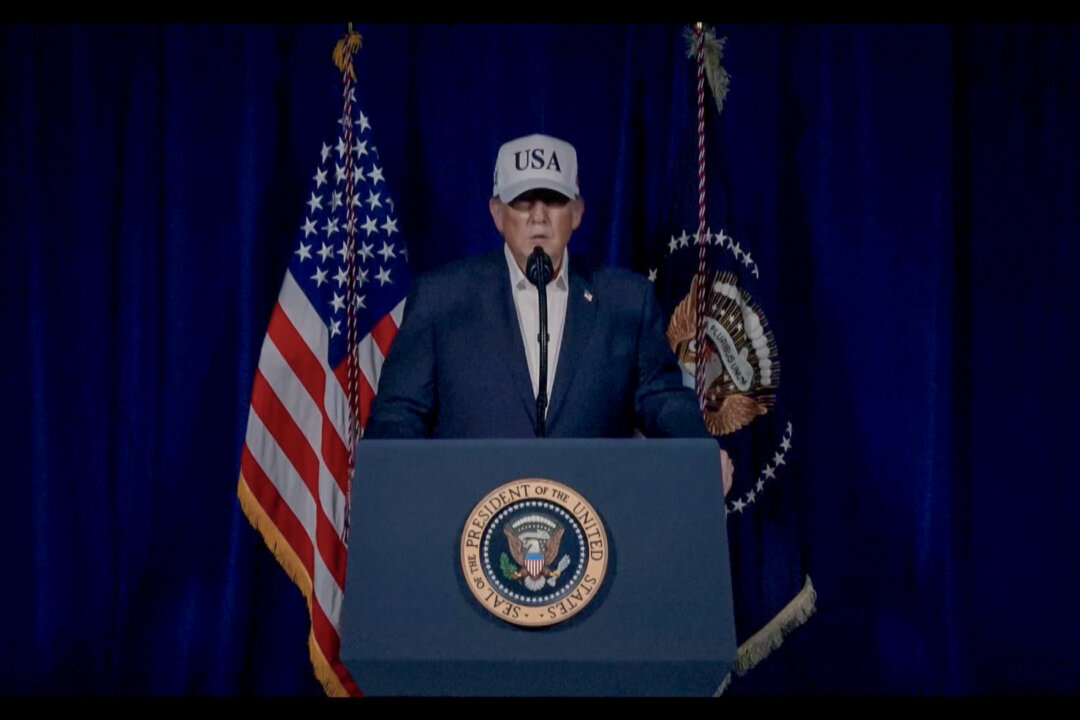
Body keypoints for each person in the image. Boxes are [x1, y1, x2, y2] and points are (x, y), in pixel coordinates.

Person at [365, 133, 734, 485]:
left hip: (592, 510)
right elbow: (399, 413)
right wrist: (385, 475)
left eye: (554, 200)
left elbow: (663, 400)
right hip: (470, 512)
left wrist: (700, 452)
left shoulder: (626, 300)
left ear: (577, 212)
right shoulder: (442, 299)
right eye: (523, 201)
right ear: (497, 213)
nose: (538, 216)